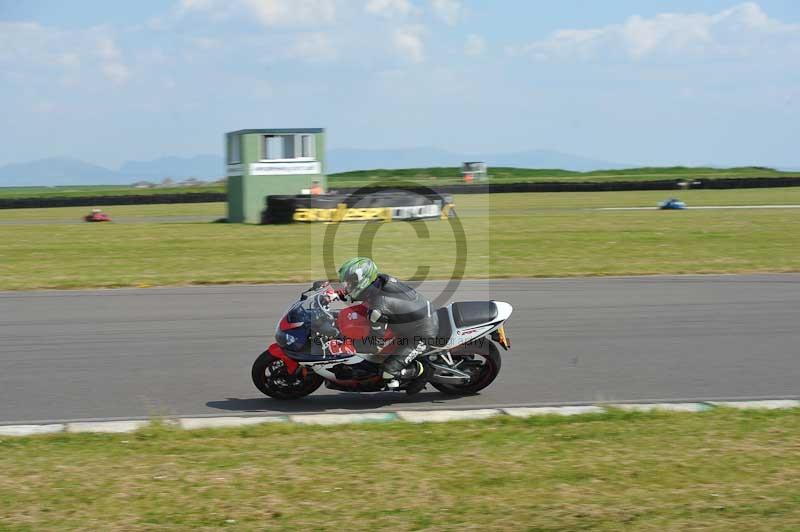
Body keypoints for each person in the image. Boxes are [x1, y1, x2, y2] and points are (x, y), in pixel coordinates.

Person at [337, 257, 438, 394]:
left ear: (363, 281)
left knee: (388, 372)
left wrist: (348, 345)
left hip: (422, 333)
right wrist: (339, 294)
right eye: (347, 283)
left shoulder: (378, 309)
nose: (347, 286)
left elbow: (375, 344)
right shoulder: (380, 280)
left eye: (351, 282)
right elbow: (360, 294)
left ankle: (425, 370)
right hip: (417, 315)